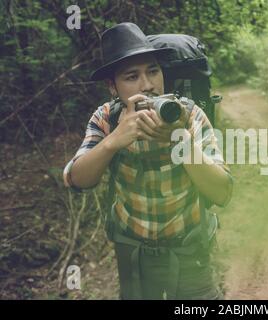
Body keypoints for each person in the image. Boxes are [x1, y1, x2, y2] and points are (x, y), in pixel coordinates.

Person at [63, 22, 233, 300]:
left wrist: (180, 140)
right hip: (134, 253)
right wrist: (114, 140)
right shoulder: (106, 118)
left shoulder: (188, 115)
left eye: (153, 70)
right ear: (113, 87)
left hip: (190, 249)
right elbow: (75, 178)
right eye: (132, 76)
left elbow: (222, 191)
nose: (148, 84)